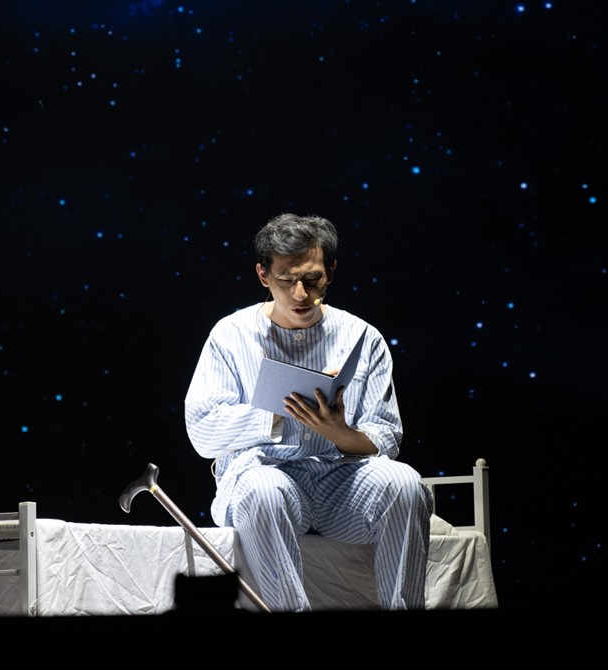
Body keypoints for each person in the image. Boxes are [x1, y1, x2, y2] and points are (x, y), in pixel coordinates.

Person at [184, 213, 433, 612]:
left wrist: (338, 432)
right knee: (264, 490)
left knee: (405, 482)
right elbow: (202, 430)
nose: (300, 294)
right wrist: (277, 416)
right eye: (286, 279)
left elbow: (386, 435)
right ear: (263, 275)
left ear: (330, 272)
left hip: (340, 479)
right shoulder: (230, 335)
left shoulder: (362, 337)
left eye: (312, 279)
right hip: (265, 470)